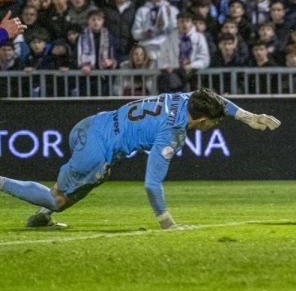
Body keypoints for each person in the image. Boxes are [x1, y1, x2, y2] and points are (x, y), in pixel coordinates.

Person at [0, 88, 281, 229]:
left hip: (92, 124)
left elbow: (216, 100)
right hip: (96, 150)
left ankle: (42, 217)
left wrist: (248, 117)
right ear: (203, 120)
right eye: (214, 123)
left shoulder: (185, 99)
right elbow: (151, 183)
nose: (215, 127)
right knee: (58, 199)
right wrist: (168, 223)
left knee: (97, 177)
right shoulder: (171, 133)